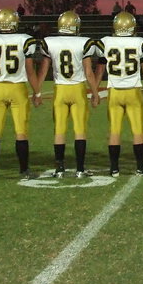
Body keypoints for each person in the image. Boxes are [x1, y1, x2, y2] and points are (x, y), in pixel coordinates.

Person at [0, 7, 48, 180]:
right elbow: (30, 71)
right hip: (17, 88)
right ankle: (24, 170)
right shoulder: (24, 40)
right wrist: (37, 92)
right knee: (21, 131)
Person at [42, 10, 102, 177]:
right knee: (80, 130)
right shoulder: (83, 43)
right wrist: (95, 93)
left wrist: (37, 92)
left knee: (59, 130)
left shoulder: (50, 42)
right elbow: (89, 72)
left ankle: (59, 169)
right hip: (77, 89)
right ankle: (80, 169)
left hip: (60, 89)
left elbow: (45, 69)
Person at [97, 11, 143, 176]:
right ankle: (140, 167)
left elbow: (99, 71)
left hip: (114, 92)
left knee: (114, 130)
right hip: (133, 92)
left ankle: (114, 168)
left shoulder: (105, 42)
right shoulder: (140, 43)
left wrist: (94, 90)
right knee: (138, 130)